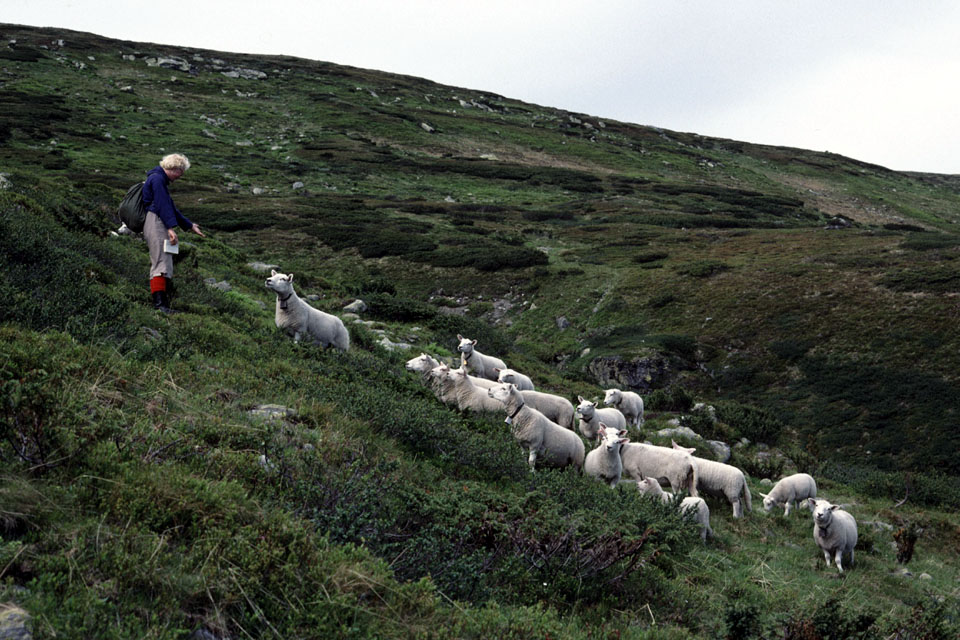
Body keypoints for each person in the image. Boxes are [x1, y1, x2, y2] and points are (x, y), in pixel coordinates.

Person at [142, 153, 205, 312]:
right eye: (180, 172)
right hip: (156, 221)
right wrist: (170, 228)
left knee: (164, 262)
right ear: (174, 168)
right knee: (160, 263)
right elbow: (163, 205)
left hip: (158, 220)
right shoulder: (157, 180)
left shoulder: (158, 179)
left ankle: (163, 303)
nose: (180, 176)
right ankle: (160, 305)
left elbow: (169, 207)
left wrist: (189, 225)